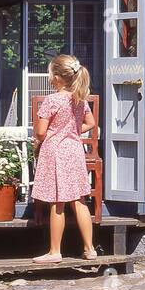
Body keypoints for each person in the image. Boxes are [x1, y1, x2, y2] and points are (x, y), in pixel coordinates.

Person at [31, 54, 97, 263]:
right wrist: (73, 131)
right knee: (79, 200)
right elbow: (91, 122)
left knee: (57, 201)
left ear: (58, 77)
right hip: (74, 151)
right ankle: (90, 249)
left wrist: (49, 134)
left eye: (51, 74)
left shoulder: (52, 100)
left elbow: (41, 132)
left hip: (56, 152)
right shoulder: (79, 99)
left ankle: (55, 251)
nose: (50, 78)